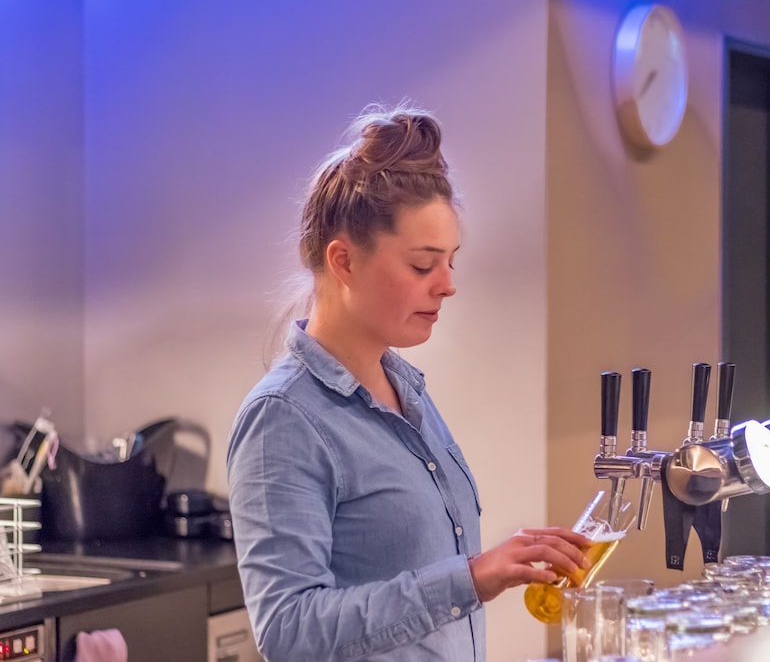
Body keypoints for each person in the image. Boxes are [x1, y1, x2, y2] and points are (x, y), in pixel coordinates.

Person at [226, 104, 591, 661]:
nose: (447, 285)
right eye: (423, 265)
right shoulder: (283, 416)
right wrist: (471, 578)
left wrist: (485, 570)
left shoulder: (407, 391)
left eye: (450, 262)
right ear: (344, 261)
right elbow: (287, 630)